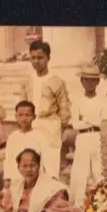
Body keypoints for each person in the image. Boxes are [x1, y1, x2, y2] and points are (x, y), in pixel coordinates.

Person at [20, 41, 71, 179]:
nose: (36, 61)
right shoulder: (27, 81)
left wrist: (60, 127)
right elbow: (22, 104)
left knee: (50, 165)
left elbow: (64, 108)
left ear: (48, 58)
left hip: (50, 125)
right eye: (33, 57)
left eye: (40, 58)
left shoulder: (57, 82)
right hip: (31, 124)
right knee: (31, 164)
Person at [69, 63, 107, 207]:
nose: (89, 83)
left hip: (97, 137)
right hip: (82, 137)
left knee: (97, 169)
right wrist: (91, 121)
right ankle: (78, 202)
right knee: (81, 169)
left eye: (93, 80)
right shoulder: (77, 100)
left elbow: (103, 121)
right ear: (81, 81)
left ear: (98, 82)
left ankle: (102, 202)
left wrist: (85, 119)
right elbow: (75, 124)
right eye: (86, 80)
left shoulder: (103, 100)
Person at [3, 101, 48, 183]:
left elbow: (46, 159)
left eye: (27, 115)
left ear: (34, 117)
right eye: (20, 115)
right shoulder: (13, 136)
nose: (24, 118)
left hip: (35, 178)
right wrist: (7, 180)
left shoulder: (40, 135)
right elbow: (8, 160)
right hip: (16, 178)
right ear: (16, 116)